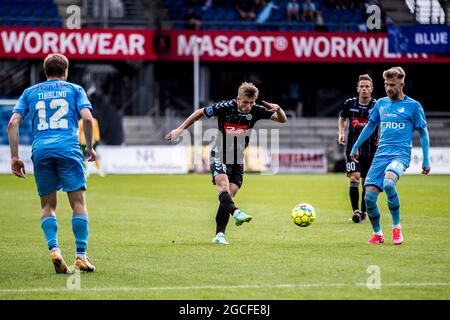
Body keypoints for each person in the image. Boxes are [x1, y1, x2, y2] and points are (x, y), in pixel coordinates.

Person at [165, 82, 287, 245]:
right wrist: (180, 129)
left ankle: (219, 235)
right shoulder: (225, 107)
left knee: (230, 193)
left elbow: (282, 120)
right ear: (238, 99)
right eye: (245, 102)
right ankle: (236, 212)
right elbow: (199, 113)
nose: (249, 106)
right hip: (220, 153)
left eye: (251, 102)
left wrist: (278, 109)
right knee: (223, 187)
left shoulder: (256, 110)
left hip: (237, 159)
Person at [7, 53, 97, 273]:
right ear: (65, 71)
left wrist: (15, 156)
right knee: (78, 203)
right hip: (68, 149)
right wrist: (90, 148)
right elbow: (86, 118)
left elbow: (12, 123)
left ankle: (54, 250)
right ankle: (81, 256)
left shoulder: (30, 93)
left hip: (42, 151)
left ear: (45, 71)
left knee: (47, 206)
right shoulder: (75, 90)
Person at [350, 67, 431, 245]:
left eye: (392, 84)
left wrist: (426, 159)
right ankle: (378, 234)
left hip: (400, 155)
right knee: (369, 198)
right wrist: (356, 146)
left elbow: (423, 133)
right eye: (386, 84)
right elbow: (370, 126)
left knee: (388, 183)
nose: (388, 88)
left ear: (401, 84)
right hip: (381, 155)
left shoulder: (413, 106)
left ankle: (396, 228)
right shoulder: (381, 104)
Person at [338, 74, 378, 223]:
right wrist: (341, 132)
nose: (364, 89)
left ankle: (363, 212)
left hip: (371, 150)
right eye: (361, 86)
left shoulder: (377, 105)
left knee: (367, 183)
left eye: (367, 86)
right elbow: (342, 118)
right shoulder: (349, 104)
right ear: (357, 88)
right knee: (354, 177)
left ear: (371, 89)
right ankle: (355, 211)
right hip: (353, 150)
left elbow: (381, 123)